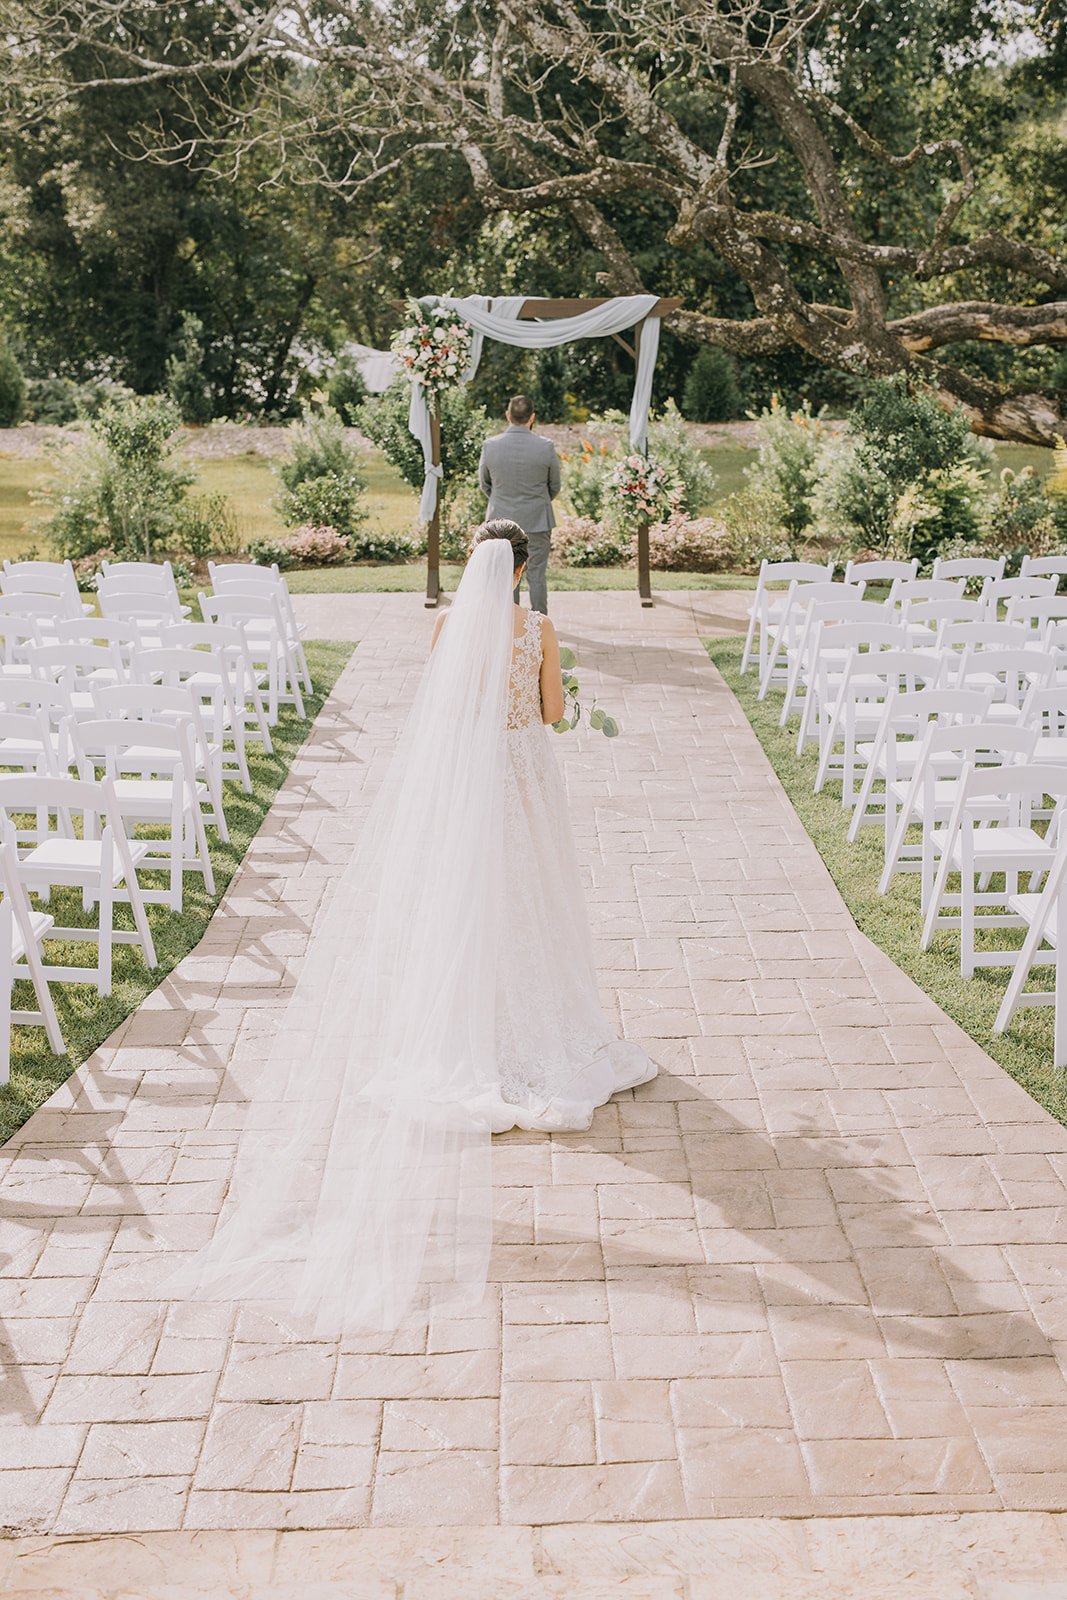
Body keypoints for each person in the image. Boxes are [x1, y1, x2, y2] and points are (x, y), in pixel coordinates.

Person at [169, 521, 654, 1336]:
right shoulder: (537, 628)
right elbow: (552, 714)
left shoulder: (442, 626)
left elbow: (441, 718)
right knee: (528, 895)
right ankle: (537, 1032)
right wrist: (570, 707)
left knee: (467, 901)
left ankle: (469, 1024)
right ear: (523, 569)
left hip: (465, 788)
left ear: (472, 566)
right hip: (522, 780)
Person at [478, 395, 561, 615]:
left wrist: (502, 500)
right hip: (537, 520)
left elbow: (486, 485)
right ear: (532, 417)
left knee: (505, 574)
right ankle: (540, 625)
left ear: (508, 415)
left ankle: (508, 624)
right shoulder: (546, 446)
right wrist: (537, 502)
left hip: (500, 523)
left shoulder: (490, 446)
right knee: (536, 574)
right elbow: (555, 486)